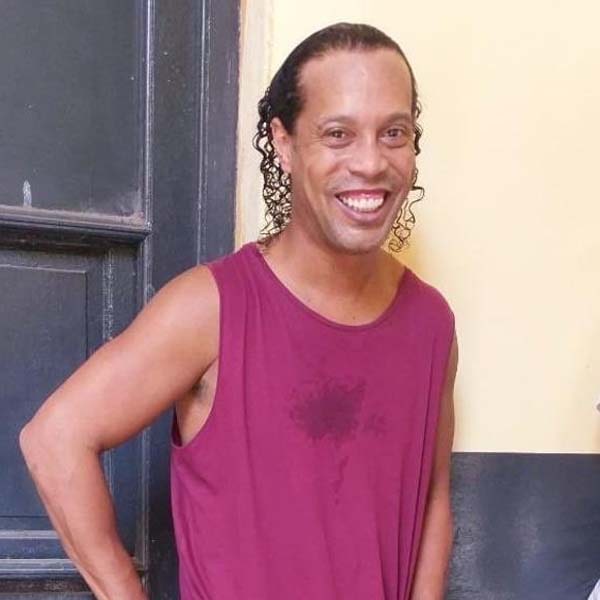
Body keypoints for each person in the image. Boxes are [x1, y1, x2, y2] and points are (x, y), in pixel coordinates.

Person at [20, 22, 458, 600]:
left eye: (393, 133)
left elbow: (432, 499)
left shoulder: (431, 322)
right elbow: (54, 439)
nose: (372, 162)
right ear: (284, 143)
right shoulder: (212, 308)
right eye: (338, 134)